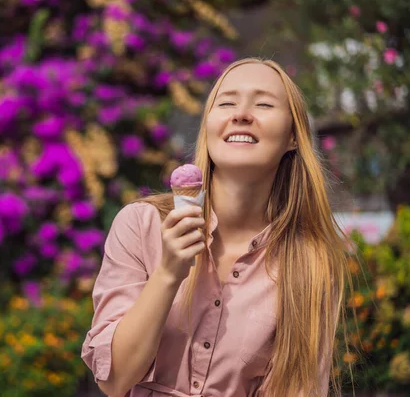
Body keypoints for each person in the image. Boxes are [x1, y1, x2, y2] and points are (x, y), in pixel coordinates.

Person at [81, 58, 350, 397]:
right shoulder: (141, 224)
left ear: (293, 138)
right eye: (226, 102)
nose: (241, 114)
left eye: (264, 104)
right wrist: (168, 272)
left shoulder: (310, 262)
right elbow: (114, 379)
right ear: (209, 127)